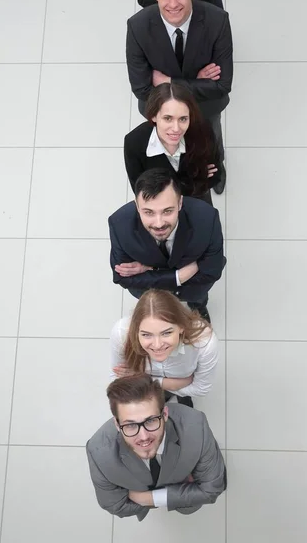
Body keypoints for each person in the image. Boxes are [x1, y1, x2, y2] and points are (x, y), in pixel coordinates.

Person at [126, 0, 233, 195]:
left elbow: (222, 84)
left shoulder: (217, 21)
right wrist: (197, 80)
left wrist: (167, 81)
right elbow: (141, 89)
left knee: (211, 139)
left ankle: (217, 168)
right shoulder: (138, 26)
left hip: (206, 107)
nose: (173, 3)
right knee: (171, 143)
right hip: (163, 109)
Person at [86, 374, 227, 521]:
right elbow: (115, 506)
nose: (144, 436)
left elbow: (212, 489)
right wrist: (179, 494)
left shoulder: (197, 428)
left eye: (151, 421)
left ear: (165, 414)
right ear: (117, 424)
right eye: (130, 425)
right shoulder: (99, 452)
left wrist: (148, 498)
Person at [108, 168, 226, 321]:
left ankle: (198, 307)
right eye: (149, 212)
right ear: (137, 207)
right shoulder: (119, 225)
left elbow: (212, 271)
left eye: (167, 211)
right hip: (150, 293)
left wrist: (148, 270)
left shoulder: (206, 219)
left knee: (199, 300)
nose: (159, 224)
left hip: (193, 290)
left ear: (180, 203)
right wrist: (178, 276)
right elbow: (121, 278)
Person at [108, 289, 219, 408]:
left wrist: (144, 378)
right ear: (136, 331)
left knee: (184, 402)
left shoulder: (204, 341)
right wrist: (171, 385)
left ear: (181, 326)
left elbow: (201, 389)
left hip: (148, 381)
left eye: (166, 333)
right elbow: (117, 379)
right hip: (180, 383)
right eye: (146, 334)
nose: (157, 345)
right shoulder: (122, 333)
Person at [124, 82, 221, 205]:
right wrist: (195, 180)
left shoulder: (203, 132)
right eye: (168, 118)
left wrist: (162, 186)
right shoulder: (134, 142)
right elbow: (140, 190)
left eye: (183, 119)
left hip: (196, 200)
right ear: (154, 116)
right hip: (160, 206)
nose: (176, 128)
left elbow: (216, 175)